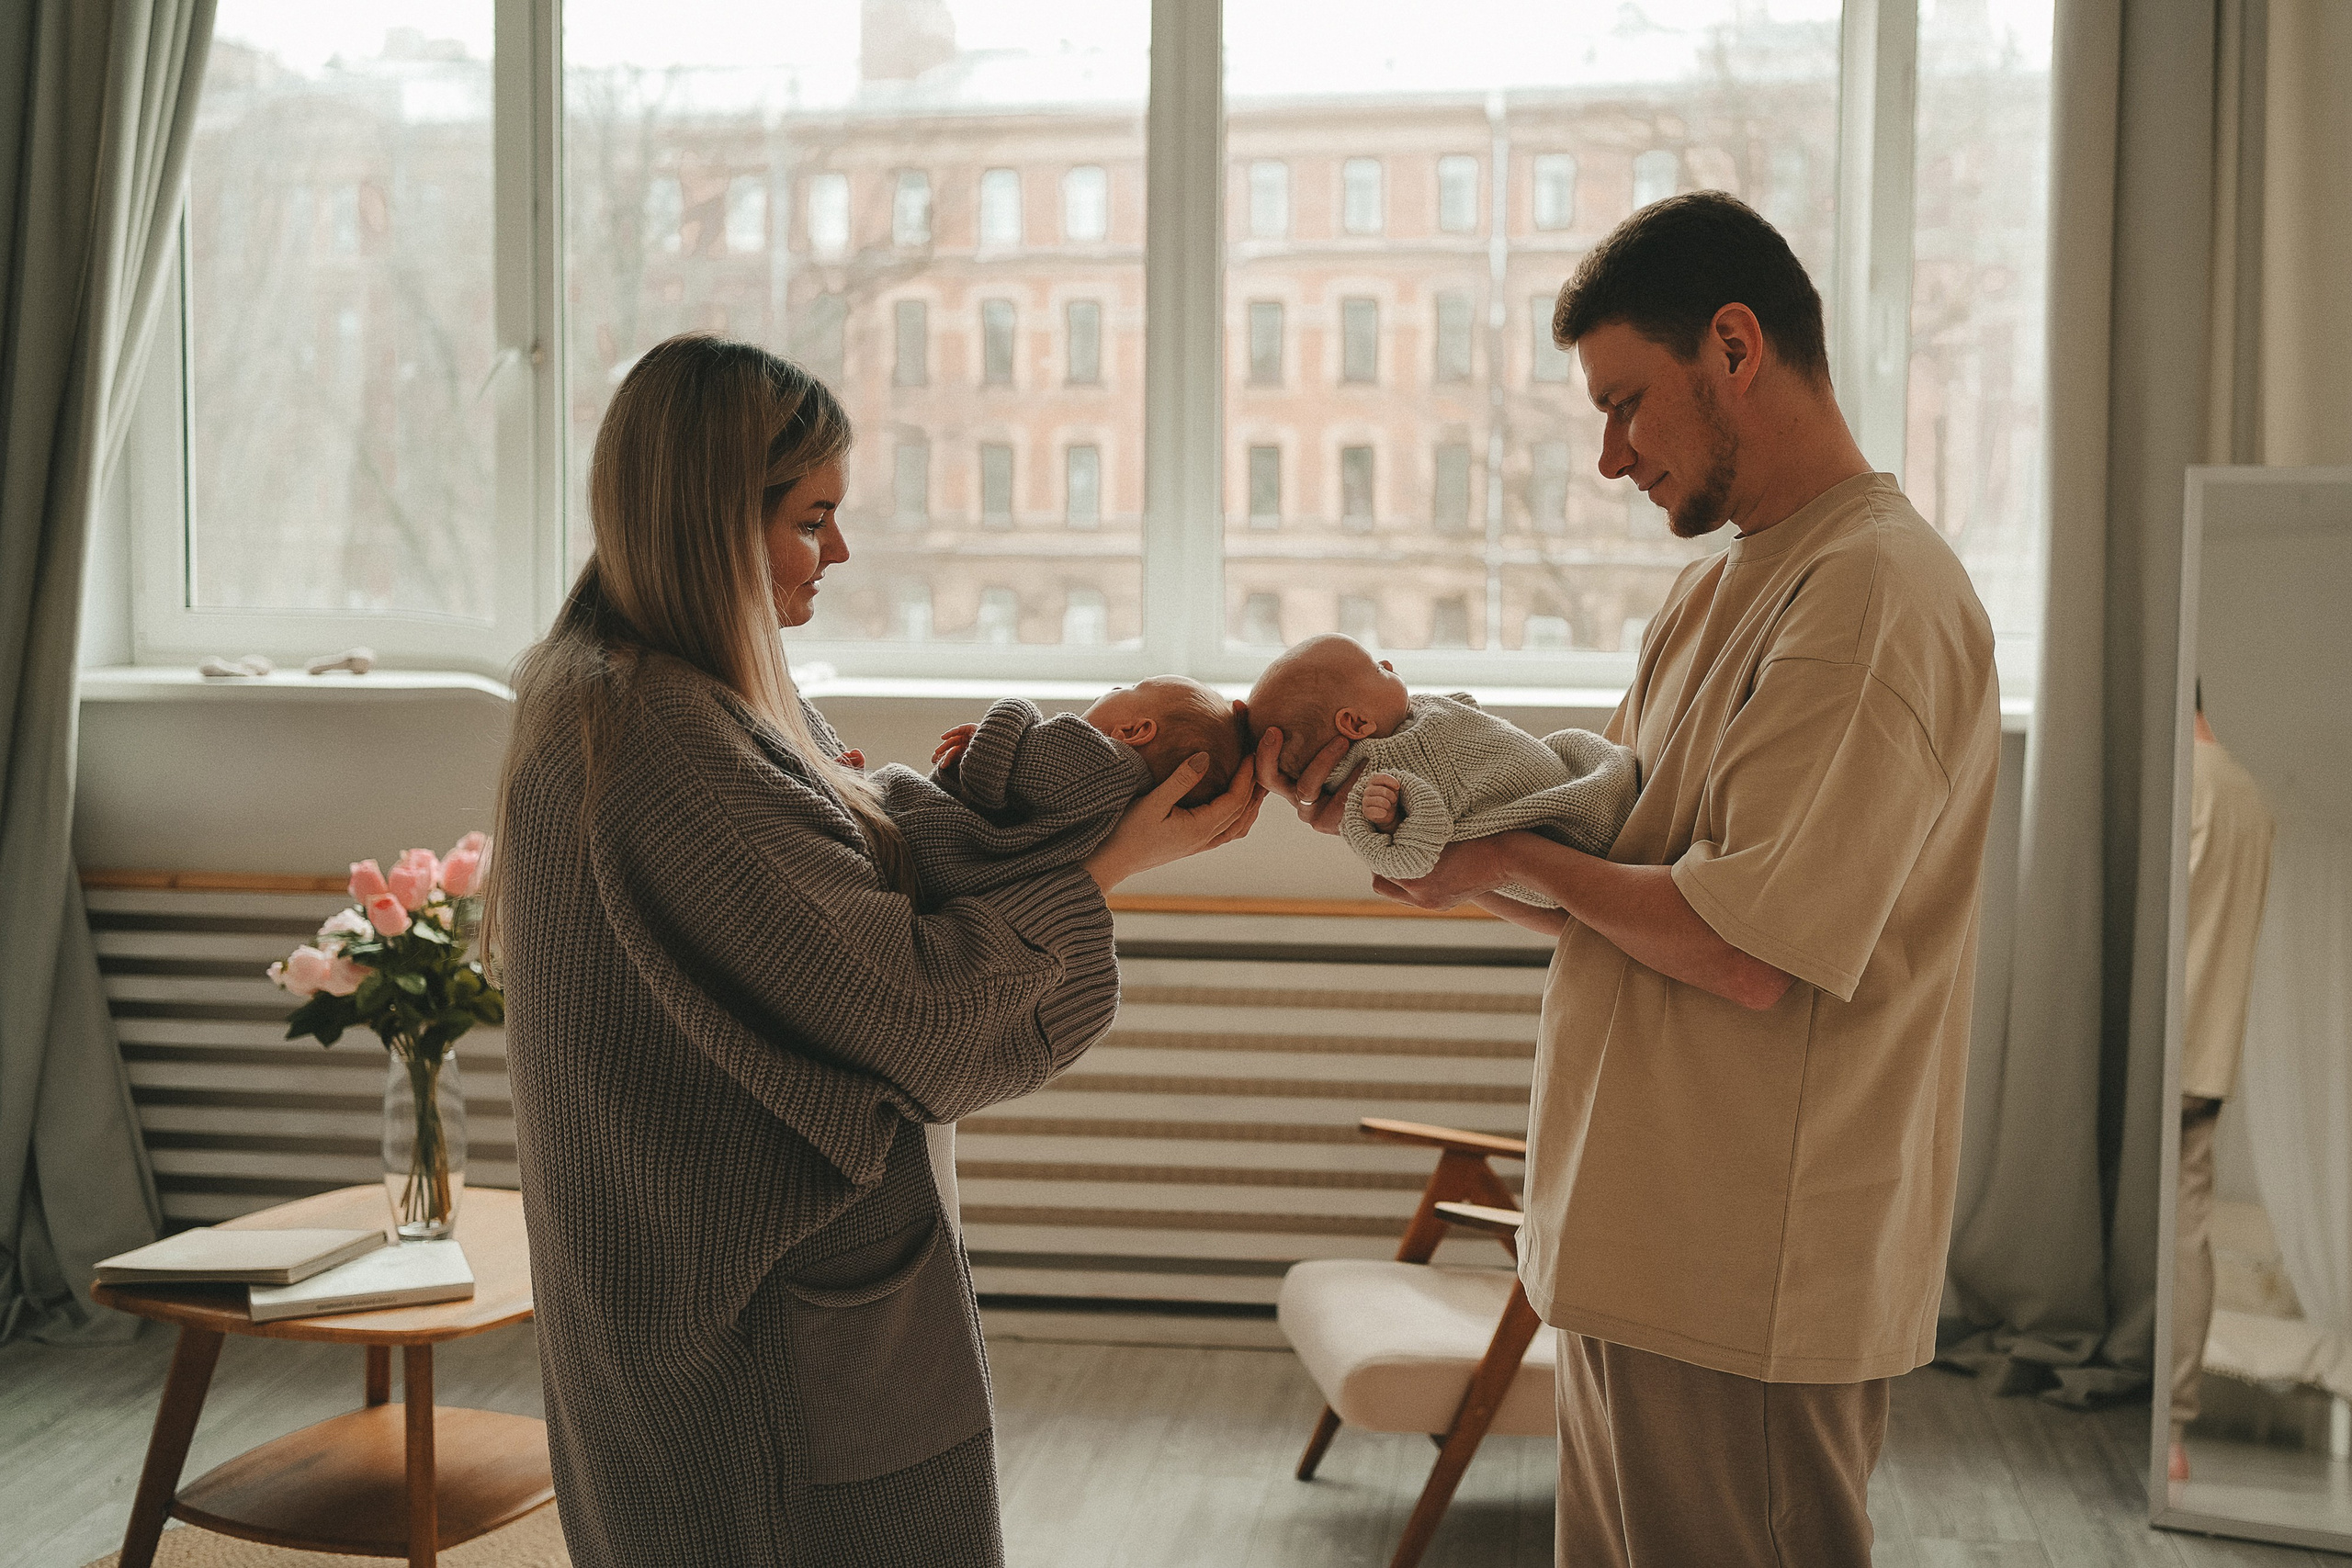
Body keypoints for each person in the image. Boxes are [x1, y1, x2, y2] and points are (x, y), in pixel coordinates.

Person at [1258, 192, 2001, 1566]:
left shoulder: (1869, 595)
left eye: (1623, 405)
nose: (1609, 459)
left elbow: (1743, 947)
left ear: (1735, 346)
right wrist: (1452, 867)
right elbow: (1621, 885)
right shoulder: (1721, 588)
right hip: (1637, 1248)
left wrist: (1508, 856)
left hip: (1744, 1274)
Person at [487, 333, 1260, 1568]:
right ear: (711, 522)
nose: (838, 551)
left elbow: (847, 848)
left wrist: (1045, 797)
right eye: (812, 519)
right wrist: (1105, 867)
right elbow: (912, 1010)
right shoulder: (658, 731)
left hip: (746, 1297)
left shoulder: (660, 688)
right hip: (757, 1321)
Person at [1244, 632, 1636, 904]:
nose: (1388, 663)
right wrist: (1387, 822)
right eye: (1377, 670)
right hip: (1566, 832)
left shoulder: (1403, 716)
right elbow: (1409, 858)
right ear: (1357, 723)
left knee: (1573, 743)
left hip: (1557, 773)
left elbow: (1467, 714)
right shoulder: (1375, 781)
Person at [2168, 686, 2278, 1483]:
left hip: (2167, 1043)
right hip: (2212, 1048)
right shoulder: (2249, 795)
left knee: (2166, 1234)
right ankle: (2169, 1430)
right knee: (2188, 1232)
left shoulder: (2190, 786)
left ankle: (2151, 1422)